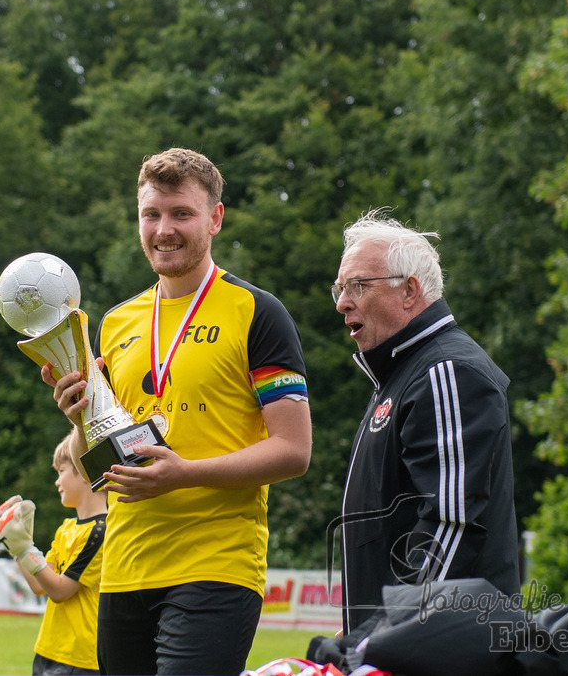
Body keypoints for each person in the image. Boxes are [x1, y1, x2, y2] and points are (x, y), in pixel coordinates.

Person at [42, 147, 313, 675]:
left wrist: (185, 474)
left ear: (215, 218)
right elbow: (96, 456)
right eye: (152, 214)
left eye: (181, 213)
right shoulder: (115, 322)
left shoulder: (258, 312)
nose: (164, 230)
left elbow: (293, 450)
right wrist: (79, 418)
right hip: (124, 567)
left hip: (216, 565)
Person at [331, 208, 520, 635]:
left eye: (357, 285)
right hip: (410, 639)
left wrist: (388, 630)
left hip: (444, 646)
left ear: (410, 290)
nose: (342, 303)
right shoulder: (402, 374)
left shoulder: (447, 371)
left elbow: (451, 524)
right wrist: (358, 625)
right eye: (340, 289)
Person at [0, 431, 107, 675]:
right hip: (50, 649)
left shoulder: (99, 531)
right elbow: (39, 585)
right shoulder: (67, 528)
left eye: (61, 471)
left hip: (79, 656)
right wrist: (17, 547)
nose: (57, 481)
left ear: (84, 473)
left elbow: (60, 591)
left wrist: (25, 548)